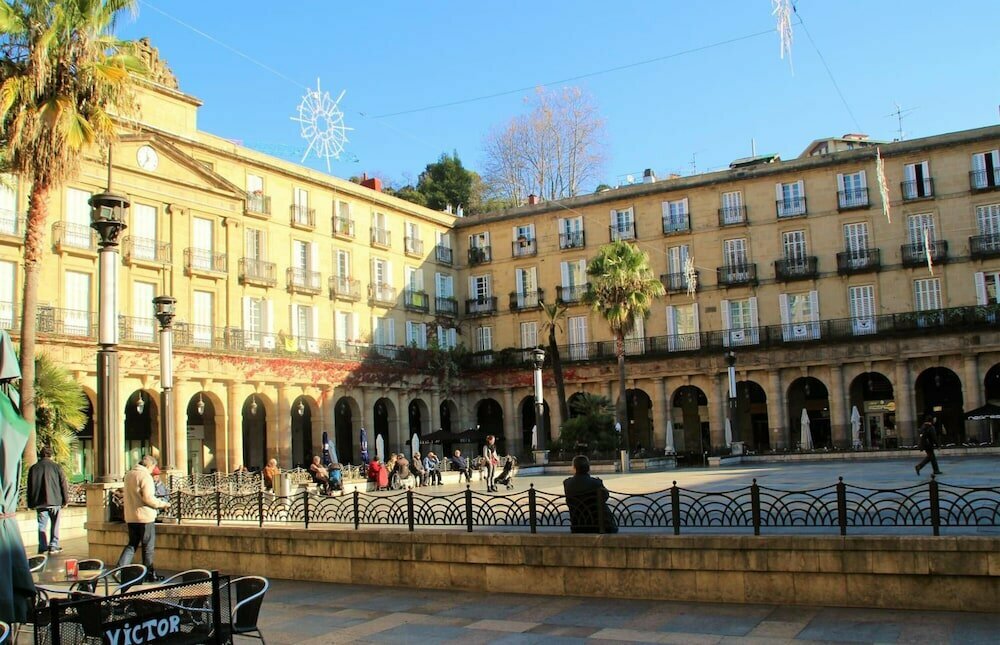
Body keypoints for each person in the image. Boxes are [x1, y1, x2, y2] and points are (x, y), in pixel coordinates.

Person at [118, 455, 171, 581]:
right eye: (153, 467)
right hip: (145, 517)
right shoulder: (145, 476)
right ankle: (148, 574)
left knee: (132, 544)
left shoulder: (129, 474)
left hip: (131, 516)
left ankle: (119, 570)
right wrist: (163, 504)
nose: (153, 470)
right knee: (148, 547)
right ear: (150, 465)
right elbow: (148, 498)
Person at [27, 446, 70, 554]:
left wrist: (30, 503)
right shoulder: (56, 467)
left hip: (40, 502)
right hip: (55, 500)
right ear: (51, 455)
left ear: (40, 455)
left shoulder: (34, 468)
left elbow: (30, 487)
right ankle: (54, 545)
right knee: (55, 524)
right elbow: (63, 484)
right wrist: (65, 500)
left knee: (42, 525)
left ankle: (42, 546)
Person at [563, 455, 618, 533]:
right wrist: (601, 484)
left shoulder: (567, 483)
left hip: (577, 526)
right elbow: (605, 498)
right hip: (597, 525)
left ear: (574, 468)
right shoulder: (596, 483)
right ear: (588, 468)